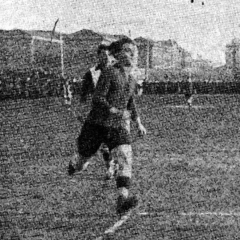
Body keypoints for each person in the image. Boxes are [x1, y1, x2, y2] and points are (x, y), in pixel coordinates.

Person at [68, 37, 147, 215]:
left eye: (133, 51)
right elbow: (98, 98)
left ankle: (122, 199)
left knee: (125, 157)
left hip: (116, 126)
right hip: (96, 125)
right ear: (118, 54)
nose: (131, 54)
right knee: (82, 163)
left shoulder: (132, 79)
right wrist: (116, 111)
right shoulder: (110, 73)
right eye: (127, 50)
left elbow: (130, 103)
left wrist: (138, 122)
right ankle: (75, 163)